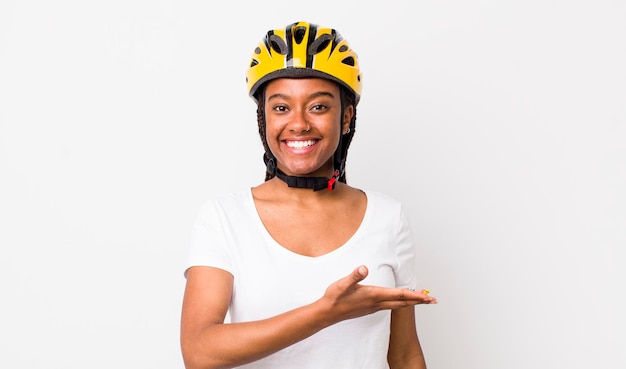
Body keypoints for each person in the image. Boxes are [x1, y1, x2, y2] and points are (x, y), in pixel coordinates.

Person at [180, 21, 437, 369]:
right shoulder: (224, 218)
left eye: (318, 107)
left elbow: (404, 355)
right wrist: (325, 312)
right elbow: (199, 352)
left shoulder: (388, 218)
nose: (298, 123)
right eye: (281, 108)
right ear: (263, 119)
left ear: (346, 117)